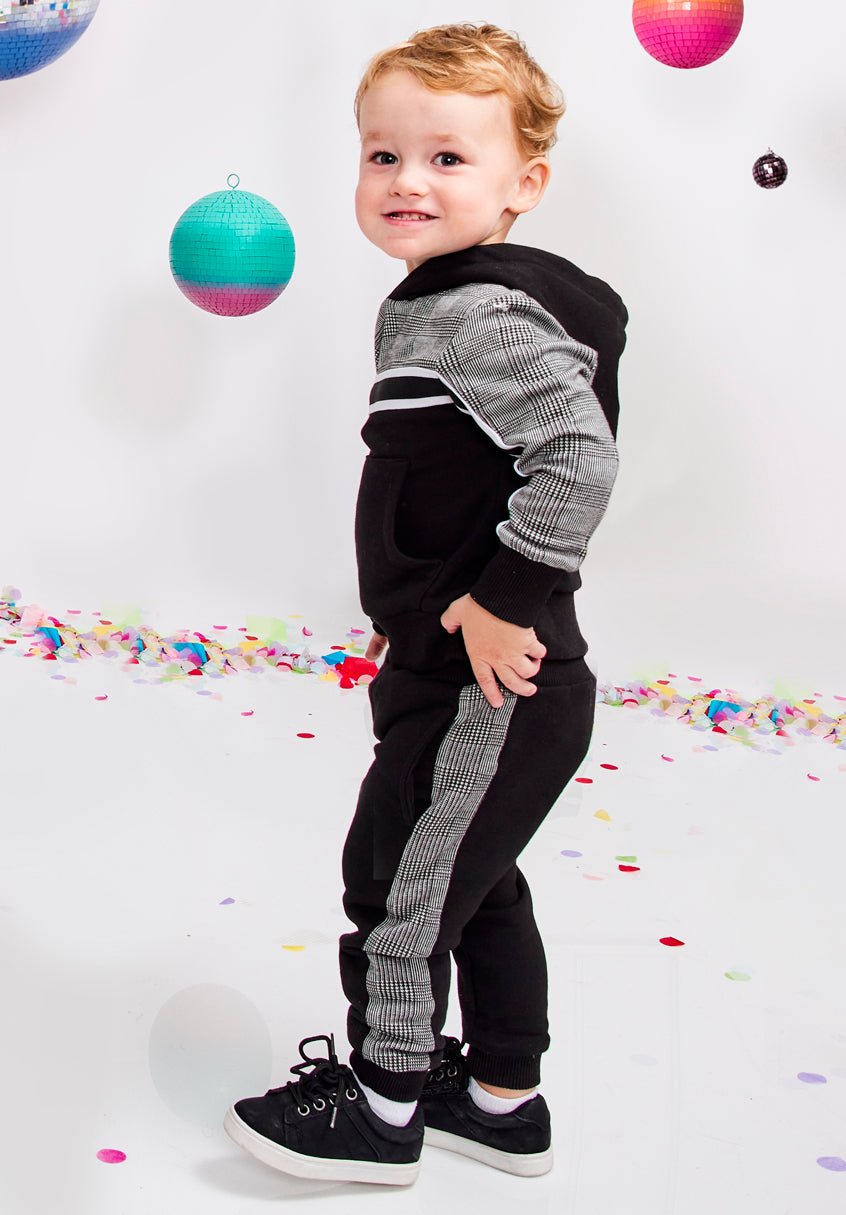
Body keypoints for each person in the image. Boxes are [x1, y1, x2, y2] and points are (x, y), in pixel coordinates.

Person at [224, 22, 627, 1188]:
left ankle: (383, 1107)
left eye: (449, 158)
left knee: (399, 885)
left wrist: (503, 600)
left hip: (488, 679)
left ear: (523, 185)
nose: (409, 180)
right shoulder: (439, 301)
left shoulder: (479, 314)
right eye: (384, 155)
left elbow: (577, 459)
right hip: (452, 667)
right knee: (472, 882)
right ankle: (501, 1099)